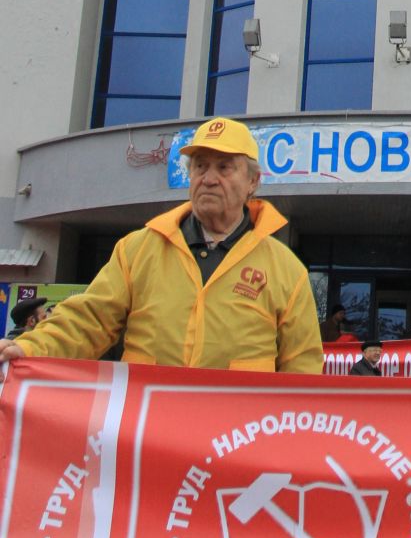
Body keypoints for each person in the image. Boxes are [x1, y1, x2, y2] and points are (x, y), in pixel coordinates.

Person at [0, 117, 322, 372]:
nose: (209, 178)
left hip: (239, 443)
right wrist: (30, 347)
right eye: (200, 166)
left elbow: (302, 367)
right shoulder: (137, 250)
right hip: (148, 436)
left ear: (253, 181)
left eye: (224, 167)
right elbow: (90, 319)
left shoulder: (286, 269)